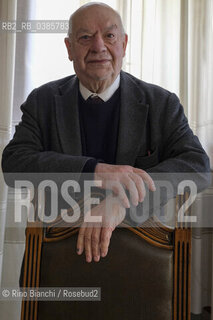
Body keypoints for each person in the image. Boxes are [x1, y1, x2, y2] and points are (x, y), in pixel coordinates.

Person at [1, 2, 210, 267]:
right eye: (85, 37)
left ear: (123, 43)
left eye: (109, 36)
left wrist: (122, 203)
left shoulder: (161, 103)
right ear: (69, 48)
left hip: (143, 265)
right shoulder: (43, 101)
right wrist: (93, 171)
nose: (99, 46)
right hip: (60, 262)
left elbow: (198, 167)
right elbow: (14, 165)